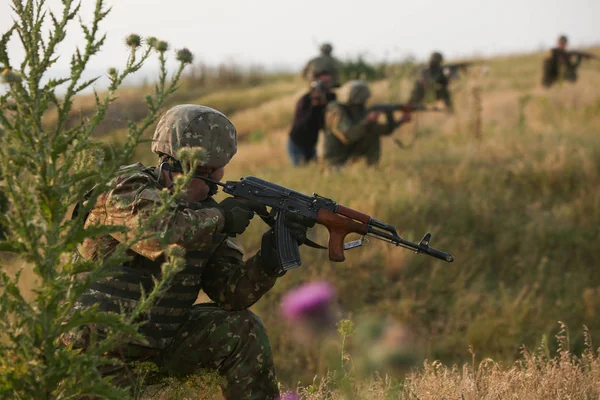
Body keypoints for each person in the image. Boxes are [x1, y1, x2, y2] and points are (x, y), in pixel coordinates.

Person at [63, 105, 313, 400]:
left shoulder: (203, 213)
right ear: (179, 167)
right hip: (98, 353)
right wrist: (220, 219)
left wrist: (270, 258)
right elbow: (160, 234)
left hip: (161, 346)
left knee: (242, 328)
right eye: (209, 175)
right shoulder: (123, 189)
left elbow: (231, 293)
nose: (213, 187)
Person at [323, 80, 411, 166]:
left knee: (372, 134)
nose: (364, 102)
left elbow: (381, 130)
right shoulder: (335, 110)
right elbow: (348, 136)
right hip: (334, 161)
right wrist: (367, 121)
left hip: (348, 156)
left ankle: (372, 168)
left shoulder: (358, 110)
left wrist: (400, 121)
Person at [288, 71, 337, 165]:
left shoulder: (330, 97)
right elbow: (303, 125)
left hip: (311, 143)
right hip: (298, 142)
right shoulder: (305, 100)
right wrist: (315, 107)